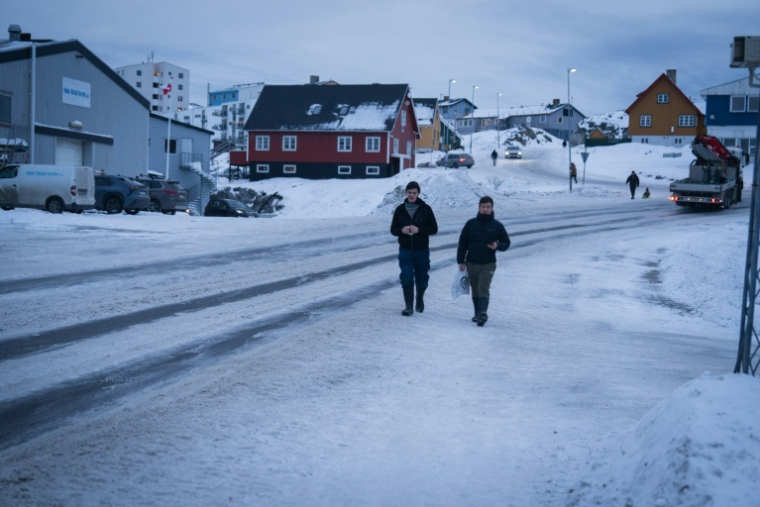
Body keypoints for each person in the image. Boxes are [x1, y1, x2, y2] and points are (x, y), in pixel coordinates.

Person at [457, 196, 510, 327]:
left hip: (488, 263)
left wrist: (497, 246)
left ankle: (482, 313)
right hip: (471, 262)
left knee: (483, 288)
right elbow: (462, 243)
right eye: (483, 206)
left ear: (492, 208)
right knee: (475, 289)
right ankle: (477, 314)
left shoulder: (497, 226)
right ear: (479, 207)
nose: (485, 209)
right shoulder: (471, 224)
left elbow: (506, 242)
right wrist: (461, 261)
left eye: (488, 207)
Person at [390, 181, 439, 316]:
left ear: (418, 193)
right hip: (405, 249)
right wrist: (402, 230)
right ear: (406, 193)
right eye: (409, 192)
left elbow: (434, 229)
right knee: (406, 276)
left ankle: (420, 298)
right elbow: (393, 229)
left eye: (414, 193)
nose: (411, 195)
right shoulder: (400, 210)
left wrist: (420, 230)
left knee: (422, 277)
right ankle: (408, 307)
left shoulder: (426, 209)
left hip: (421, 249)